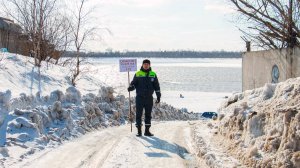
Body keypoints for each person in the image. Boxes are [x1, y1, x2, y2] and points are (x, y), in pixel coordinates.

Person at [127, 59, 161, 136]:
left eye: (147, 64)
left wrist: (158, 96)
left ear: (149, 65)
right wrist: (130, 88)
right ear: (142, 65)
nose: (146, 65)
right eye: (144, 64)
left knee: (148, 114)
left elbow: (157, 86)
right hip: (140, 98)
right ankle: (139, 131)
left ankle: (147, 131)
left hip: (149, 98)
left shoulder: (153, 74)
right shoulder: (138, 74)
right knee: (139, 114)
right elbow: (134, 84)